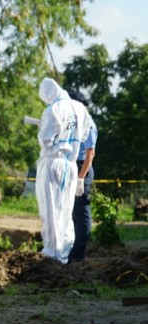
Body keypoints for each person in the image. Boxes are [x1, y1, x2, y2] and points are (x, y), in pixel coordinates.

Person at [35, 78, 91, 264]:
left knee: (51, 208)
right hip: (71, 164)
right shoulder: (80, 109)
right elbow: (83, 135)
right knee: (66, 210)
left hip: (52, 163)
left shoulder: (52, 110)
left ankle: (52, 253)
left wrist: (42, 128)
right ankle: (65, 253)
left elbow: (46, 141)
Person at [67, 90, 98, 262]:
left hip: (82, 168)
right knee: (72, 213)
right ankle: (71, 251)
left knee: (81, 212)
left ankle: (78, 256)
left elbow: (90, 154)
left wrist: (81, 178)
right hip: (72, 166)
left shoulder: (89, 124)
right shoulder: (73, 123)